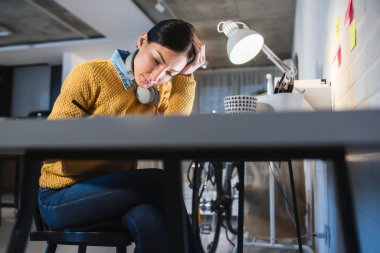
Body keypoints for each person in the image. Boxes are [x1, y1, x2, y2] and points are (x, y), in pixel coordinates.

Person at [38, 19, 206, 253]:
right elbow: (46, 150)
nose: (156, 77)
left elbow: (174, 131)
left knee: (151, 222)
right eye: (156, 61)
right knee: (160, 181)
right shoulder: (91, 74)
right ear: (142, 41)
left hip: (114, 195)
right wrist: (94, 129)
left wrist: (186, 77)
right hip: (61, 197)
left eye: (170, 72)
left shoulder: (158, 91)